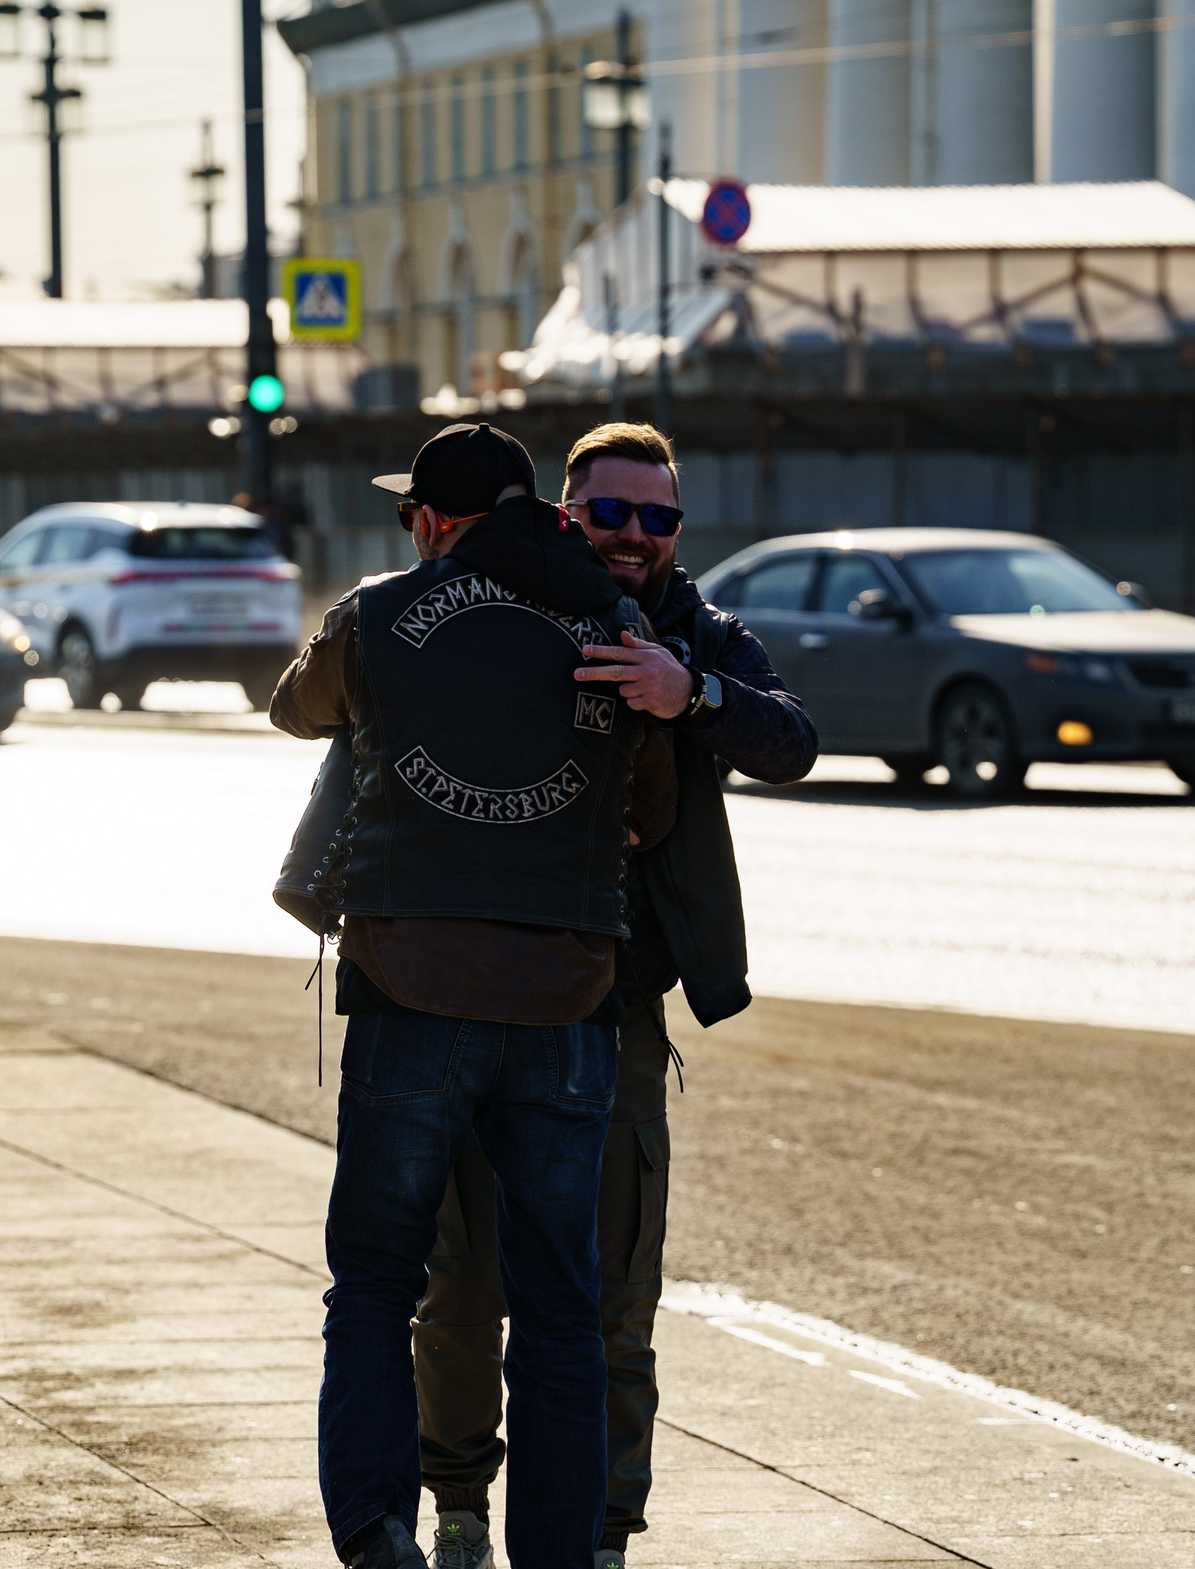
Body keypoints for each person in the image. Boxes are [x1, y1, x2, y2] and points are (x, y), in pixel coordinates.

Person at [412, 422, 818, 1569]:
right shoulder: (493, 603)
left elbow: (792, 739)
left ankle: (600, 1537)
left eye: (659, 518)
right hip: (474, 1003)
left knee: (609, 1307)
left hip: (617, 1019)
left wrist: (685, 692)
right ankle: (457, 1513)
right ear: (566, 512)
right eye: (611, 513)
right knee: (461, 1293)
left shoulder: (698, 630)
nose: (635, 536)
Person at [270, 422, 676, 1569]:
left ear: (434, 522)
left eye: (413, 516)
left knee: (377, 1285)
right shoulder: (613, 621)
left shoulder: (380, 613)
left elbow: (295, 709)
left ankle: (379, 1534)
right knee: (560, 1311)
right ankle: (558, 1553)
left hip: (412, 990)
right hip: (566, 1002)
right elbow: (650, 811)